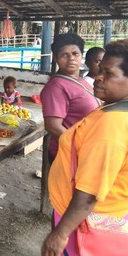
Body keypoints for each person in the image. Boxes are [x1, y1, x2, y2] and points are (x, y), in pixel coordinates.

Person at [41, 39, 128, 256]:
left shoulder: (112, 125)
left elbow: (88, 194)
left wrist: (60, 233)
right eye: (100, 69)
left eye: (108, 73)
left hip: (95, 221)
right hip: (127, 205)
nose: (98, 76)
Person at [40, 33, 101, 163]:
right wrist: (79, 147)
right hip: (69, 155)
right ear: (56, 58)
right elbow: (53, 127)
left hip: (86, 150)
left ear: (81, 56)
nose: (71, 58)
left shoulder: (81, 81)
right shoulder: (56, 87)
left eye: (75, 53)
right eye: (64, 55)